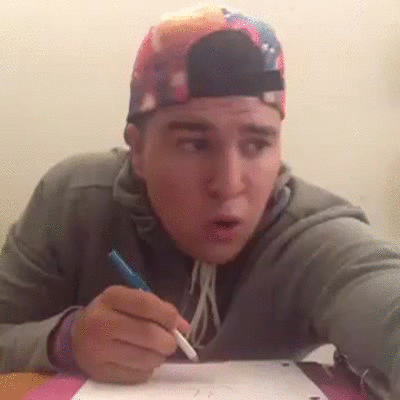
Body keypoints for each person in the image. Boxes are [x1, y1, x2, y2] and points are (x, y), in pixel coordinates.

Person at [1, 3, 400, 396]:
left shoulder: (312, 236)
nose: (228, 184)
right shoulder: (74, 201)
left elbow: (380, 294)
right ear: (138, 150)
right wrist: (66, 341)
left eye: (257, 144)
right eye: (194, 144)